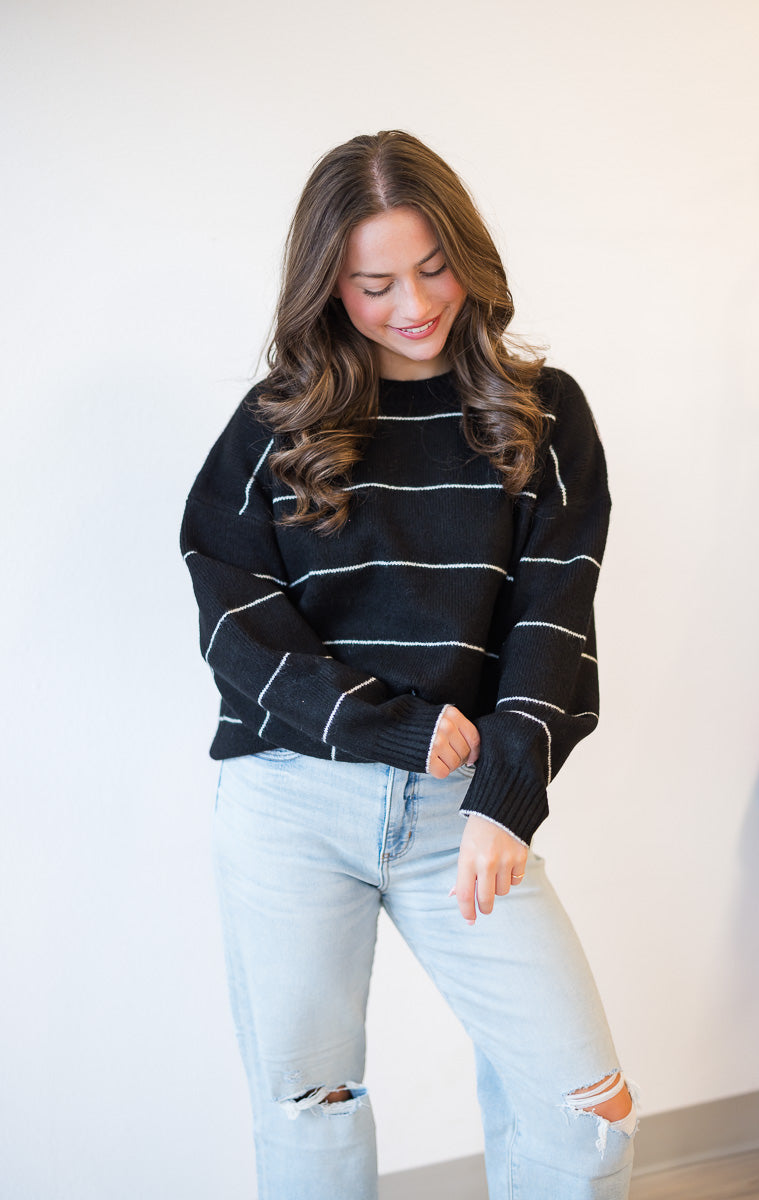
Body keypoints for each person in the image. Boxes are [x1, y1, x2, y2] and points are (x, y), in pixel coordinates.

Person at [180, 130, 637, 1199]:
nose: (415, 305)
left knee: (586, 1112)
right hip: (290, 805)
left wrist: (507, 794)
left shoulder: (546, 413)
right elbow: (232, 616)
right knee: (313, 1110)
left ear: (467, 256)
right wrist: (380, 721)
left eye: (433, 269)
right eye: (374, 283)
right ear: (326, 286)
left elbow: (554, 612)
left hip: (460, 814)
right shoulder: (275, 425)